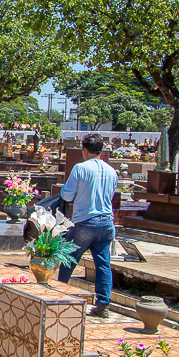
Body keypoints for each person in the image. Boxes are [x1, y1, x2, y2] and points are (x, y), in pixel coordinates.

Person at [57, 133, 118, 318]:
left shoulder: (80, 168)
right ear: (102, 150)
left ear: (85, 150)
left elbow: (67, 195)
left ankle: (59, 297)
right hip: (106, 223)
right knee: (103, 264)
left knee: (68, 260)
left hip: (84, 221)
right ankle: (103, 304)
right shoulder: (111, 171)